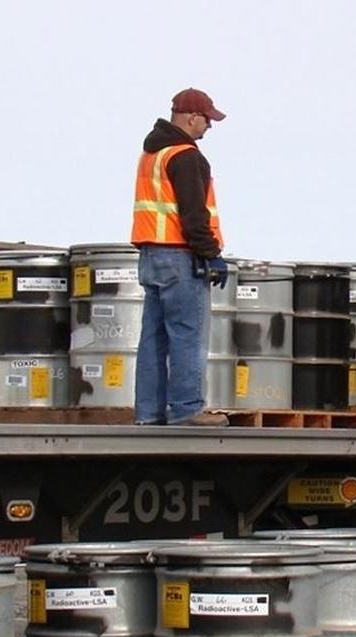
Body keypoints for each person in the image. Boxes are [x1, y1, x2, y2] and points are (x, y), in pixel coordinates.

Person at [131, 87, 231, 426]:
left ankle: (148, 413)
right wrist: (212, 255)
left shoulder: (152, 153)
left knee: (153, 338)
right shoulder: (186, 156)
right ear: (191, 117)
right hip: (179, 256)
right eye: (207, 119)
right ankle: (187, 409)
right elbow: (193, 215)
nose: (209, 127)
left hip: (151, 255)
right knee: (188, 334)